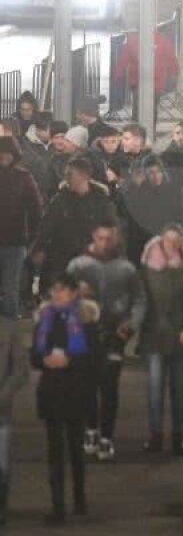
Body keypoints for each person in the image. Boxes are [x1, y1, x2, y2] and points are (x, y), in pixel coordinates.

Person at [67, 221, 144, 463]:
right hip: (85, 333)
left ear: (116, 239)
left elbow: (140, 300)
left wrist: (130, 324)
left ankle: (106, 436)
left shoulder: (126, 269)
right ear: (94, 237)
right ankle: (91, 430)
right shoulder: (78, 265)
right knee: (88, 385)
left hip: (114, 335)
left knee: (109, 386)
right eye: (100, 238)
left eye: (109, 238)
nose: (104, 243)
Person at [33, 274, 100, 525]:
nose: (56, 294)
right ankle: (58, 505)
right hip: (51, 392)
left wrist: (70, 361)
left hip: (76, 391)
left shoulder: (86, 321)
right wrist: (44, 360)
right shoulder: (44, 320)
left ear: (73, 293)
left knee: (75, 449)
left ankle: (79, 498)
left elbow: (95, 359)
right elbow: (33, 356)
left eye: (62, 290)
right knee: (55, 453)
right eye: (54, 289)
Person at [138, 224, 183, 457]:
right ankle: (155, 434)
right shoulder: (148, 267)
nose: (171, 246)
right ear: (161, 240)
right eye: (168, 241)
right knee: (155, 388)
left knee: (179, 388)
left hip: (182, 336)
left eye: (176, 242)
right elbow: (141, 300)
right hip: (155, 335)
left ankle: (178, 436)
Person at [31, 156, 117, 288]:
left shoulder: (100, 201)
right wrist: (39, 248)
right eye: (66, 174)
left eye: (70, 174)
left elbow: (111, 227)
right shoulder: (60, 200)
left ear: (84, 176)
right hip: (62, 259)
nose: (66, 178)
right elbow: (46, 226)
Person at [0, 135, 42, 319]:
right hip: (15, 239)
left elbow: (36, 209)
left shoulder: (23, 177)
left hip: (15, 240)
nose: (3, 157)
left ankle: (10, 328)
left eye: (7, 153)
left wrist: (31, 236)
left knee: (11, 286)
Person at [0, 309, 25, 527]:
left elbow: (20, 370)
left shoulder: (9, 330)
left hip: (1, 411)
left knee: (2, 466)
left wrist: (3, 397)